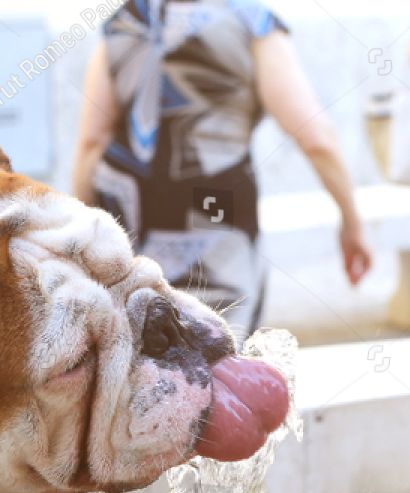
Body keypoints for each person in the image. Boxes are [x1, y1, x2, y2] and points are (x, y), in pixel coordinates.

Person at [73, 0, 372, 336]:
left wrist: (83, 241)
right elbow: (315, 137)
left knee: (134, 347)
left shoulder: (125, 20)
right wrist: (352, 221)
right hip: (214, 207)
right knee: (217, 342)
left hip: (125, 210)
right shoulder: (252, 21)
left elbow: (91, 142)